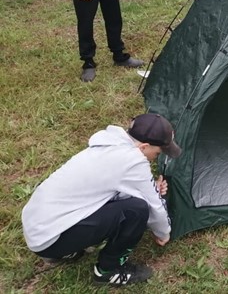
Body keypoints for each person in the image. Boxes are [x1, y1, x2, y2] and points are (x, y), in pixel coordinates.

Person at [22, 113, 182, 286]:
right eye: (157, 153)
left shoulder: (110, 144)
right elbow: (154, 207)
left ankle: (65, 251)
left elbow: (111, 188)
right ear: (143, 147)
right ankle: (108, 271)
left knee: (128, 203)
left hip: (38, 226)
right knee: (137, 209)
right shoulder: (133, 161)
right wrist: (163, 232)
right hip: (50, 239)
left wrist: (148, 188)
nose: (156, 157)